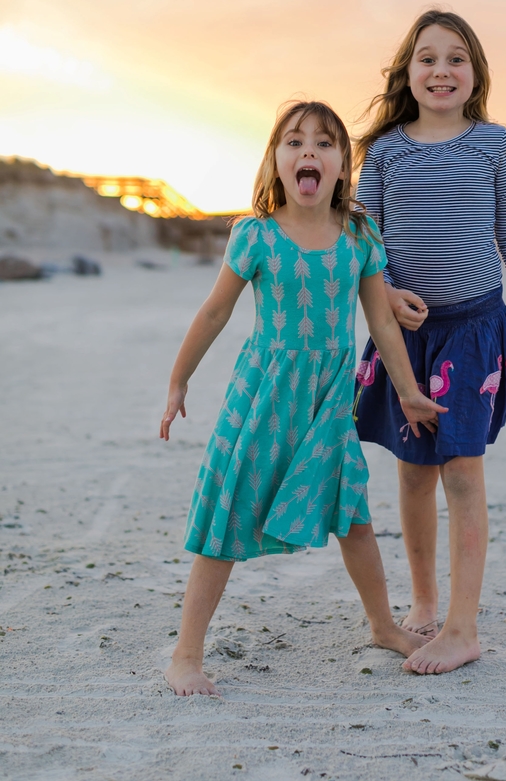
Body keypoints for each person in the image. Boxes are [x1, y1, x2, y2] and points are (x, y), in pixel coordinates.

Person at [160, 100, 445, 696]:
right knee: (228, 518)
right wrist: (179, 378)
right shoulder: (256, 235)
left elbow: (382, 324)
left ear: (343, 165)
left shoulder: (360, 236)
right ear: (276, 161)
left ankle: (382, 624)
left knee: (354, 515)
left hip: (329, 401)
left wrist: (409, 392)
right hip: (264, 397)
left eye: (324, 143)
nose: (308, 152)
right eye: (294, 142)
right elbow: (216, 311)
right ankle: (186, 653)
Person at [353, 9, 506, 675]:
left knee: (462, 471)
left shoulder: (494, 144)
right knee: (412, 473)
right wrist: (381, 291)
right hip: (404, 339)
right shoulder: (384, 151)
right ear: (407, 73)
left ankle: (464, 626)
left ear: (476, 73)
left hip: (474, 333)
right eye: (428, 57)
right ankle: (426, 600)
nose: (442, 69)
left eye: (456, 58)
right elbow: (364, 240)